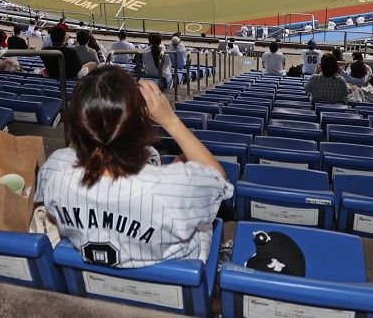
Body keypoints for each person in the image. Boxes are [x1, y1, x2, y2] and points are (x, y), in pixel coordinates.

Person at [36, 67, 232, 268]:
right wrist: (170, 120)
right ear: (140, 126)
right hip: (175, 277)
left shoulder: (55, 175)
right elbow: (218, 178)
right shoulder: (172, 189)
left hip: (88, 279)